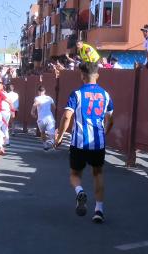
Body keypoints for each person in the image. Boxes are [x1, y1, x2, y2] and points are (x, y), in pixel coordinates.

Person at [55, 62, 114, 224]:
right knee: (98, 173)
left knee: (75, 174)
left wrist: (59, 136)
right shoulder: (106, 95)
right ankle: (99, 211)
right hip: (98, 143)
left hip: (79, 142)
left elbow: (67, 116)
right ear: (98, 75)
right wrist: (104, 134)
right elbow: (110, 120)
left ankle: (80, 192)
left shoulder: (77, 94)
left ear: (82, 76)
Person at [31, 86, 56, 151]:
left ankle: (45, 146)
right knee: (51, 133)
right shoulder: (49, 98)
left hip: (41, 118)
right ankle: (52, 143)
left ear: (38, 92)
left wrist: (32, 112)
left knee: (42, 132)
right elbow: (54, 107)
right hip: (49, 117)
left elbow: (35, 104)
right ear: (44, 91)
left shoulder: (37, 98)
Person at [0, 82, 13, 147]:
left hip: (2, 112)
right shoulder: (6, 93)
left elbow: (10, 102)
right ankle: (7, 142)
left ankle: (3, 140)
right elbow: (10, 102)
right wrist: (12, 111)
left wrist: (12, 111)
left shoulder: (1, 94)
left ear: (2, 87)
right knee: (5, 127)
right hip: (7, 112)